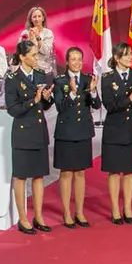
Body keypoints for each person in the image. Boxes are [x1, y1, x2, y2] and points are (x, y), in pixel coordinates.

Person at [4, 40, 54, 235]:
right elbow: (12, 109)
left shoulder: (40, 75)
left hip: (39, 131)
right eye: (33, 55)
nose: (36, 58)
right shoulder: (13, 79)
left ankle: (38, 217)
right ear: (22, 57)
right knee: (21, 176)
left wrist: (47, 98)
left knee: (39, 175)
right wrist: (33, 101)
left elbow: (45, 105)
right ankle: (23, 219)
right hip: (23, 132)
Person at [52, 47, 101, 229]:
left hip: (83, 131)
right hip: (66, 133)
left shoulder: (88, 79)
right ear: (67, 62)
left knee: (80, 173)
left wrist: (93, 92)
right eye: (73, 59)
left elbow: (96, 105)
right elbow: (60, 107)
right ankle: (66, 212)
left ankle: (79, 212)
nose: (77, 62)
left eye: (79, 59)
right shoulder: (60, 81)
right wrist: (72, 93)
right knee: (66, 173)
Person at [101, 42, 132, 225]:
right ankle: (115, 209)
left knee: (129, 170)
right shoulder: (107, 78)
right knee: (114, 171)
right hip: (114, 130)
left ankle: (127, 208)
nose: (130, 58)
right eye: (126, 55)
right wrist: (131, 97)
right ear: (117, 58)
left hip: (131, 129)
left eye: (131, 54)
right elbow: (110, 106)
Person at [19, 6, 56, 76]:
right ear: (31, 19)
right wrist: (30, 39)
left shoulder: (48, 33)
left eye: (39, 16)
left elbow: (46, 52)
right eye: (34, 17)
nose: (37, 19)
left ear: (43, 18)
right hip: (28, 70)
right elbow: (21, 52)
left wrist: (38, 37)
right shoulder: (25, 33)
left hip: (43, 70)